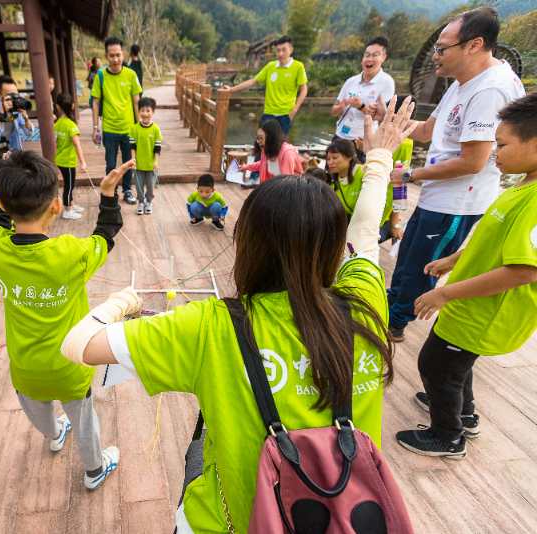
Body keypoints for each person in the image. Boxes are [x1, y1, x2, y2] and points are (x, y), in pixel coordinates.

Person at [60, 98, 417, 534]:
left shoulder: (211, 325)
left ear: (248, 244)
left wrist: (121, 302)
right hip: (342, 518)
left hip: (226, 522)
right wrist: (378, 158)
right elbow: (364, 231)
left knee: (197, 453)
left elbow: (77, 345)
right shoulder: (364, 300)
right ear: (332, 248)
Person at [396, 93, 537, 458]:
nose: (495, 153)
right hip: (470, 305)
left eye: (503, 145)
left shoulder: (534, 201)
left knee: (436, 363)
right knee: (455, 364)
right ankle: (464, 412)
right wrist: (455, 260)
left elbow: (523, 270)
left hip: (484, 312)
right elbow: (495, 240)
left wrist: (444, 293)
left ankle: (448, 435)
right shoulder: (522, 184)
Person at [0, 151, 135, 491]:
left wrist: (6, 183)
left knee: (38, 410)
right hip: (69, 366)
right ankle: (94, 469)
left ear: (4, 204)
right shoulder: (70, 253)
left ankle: (54, 435)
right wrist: (107, 193)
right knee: (84, 420)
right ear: (55, 206)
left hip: (24, 366)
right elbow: (106, 233)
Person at [386, 6, 525, 342]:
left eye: (442, 48)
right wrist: (390, 123)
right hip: (435, 195)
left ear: (474, 45)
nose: (436, 55)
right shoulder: (461, 82)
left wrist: (411, 175)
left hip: (457, 202)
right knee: (406, 258)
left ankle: (395, 324)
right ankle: (391, 308)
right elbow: (428, 131)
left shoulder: (491, 90)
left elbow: (473, 162)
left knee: (422, 266)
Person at [91, 36, 142, 205]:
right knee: (111, 164)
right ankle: (110, 191)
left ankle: (127, 190)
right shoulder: (100, 76)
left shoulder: (131, 75)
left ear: (123, 54)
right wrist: (95, 127)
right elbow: (96, 102)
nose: (115, 59)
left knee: (128, 162)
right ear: (106, 56)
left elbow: (136, 102)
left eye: (118, 55)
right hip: (109, 129)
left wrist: (139, 126)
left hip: (128, 128)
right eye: (111, 55)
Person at [225, 36, 308, 135]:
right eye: (278, 50)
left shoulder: (298, 67)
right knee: (261, 140)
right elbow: (253, 81)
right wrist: (231, 90)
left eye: (284, 50)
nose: (280, 53)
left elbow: (304, 89)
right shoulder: (270, 66)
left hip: (285, 115)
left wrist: (294, 109)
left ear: (291, 50)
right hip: (268, 113)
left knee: (278, 142)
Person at [325, 138, 401, 242]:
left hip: (378, 223)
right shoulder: (333, 181)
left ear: (349, 157)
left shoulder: (366, 172)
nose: (330, 162)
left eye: (335, 157)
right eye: (328, 159)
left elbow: (399, 187)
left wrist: (395, 224)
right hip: (355, 222)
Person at [331, 36, 396, 142]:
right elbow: (333, 111)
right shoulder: (351, 81)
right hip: (340, 137)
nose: (369, 59)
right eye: (367, 55)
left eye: (375, 55)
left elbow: (383, 118)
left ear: (383, 57)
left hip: (364, 141)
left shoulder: (387, 82)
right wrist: (343, 105)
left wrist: (360, 106)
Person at [54, 93, 87, 220]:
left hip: (60, 160)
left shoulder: (57, 123)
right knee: (69, 186)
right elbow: (77, 145)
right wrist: (83, 162)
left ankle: (71, 204)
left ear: (58, 107)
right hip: (68, 162)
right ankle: (67, 210)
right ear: (73, 106)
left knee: (69, 184)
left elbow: (55, 142)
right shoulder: (71, 125)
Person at [238, 118, 303, 182]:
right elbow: (263, 164)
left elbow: (286, 182)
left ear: (271, 137)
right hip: (273, 185)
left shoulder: (287, 153)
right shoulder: (267, 149)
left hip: (290, 186)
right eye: (258, 138)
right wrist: (246, 167)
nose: (258, 141)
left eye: (261, 138)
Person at [129, 96, 162, 215]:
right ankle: (141, 202)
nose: (145, 113)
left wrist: (156, 161)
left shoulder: (156, 129)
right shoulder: (134, 128)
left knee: (150, 186)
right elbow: (133, 146)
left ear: (153, 112)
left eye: (148, 111)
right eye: (142, 110)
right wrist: (133, 159)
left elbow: (157, 148)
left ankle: (149, 202)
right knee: (138, 186)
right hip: (138, 164)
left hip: (151, 165)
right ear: (139, 111)